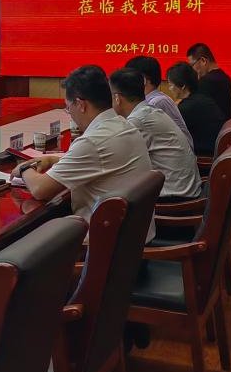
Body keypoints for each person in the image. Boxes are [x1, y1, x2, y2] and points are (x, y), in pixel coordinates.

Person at [11, 65, 155, 241]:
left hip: (104, 247)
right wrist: (53, 160)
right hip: (133, 239)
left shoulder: (93, 141)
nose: (70, 114)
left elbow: (40, 189)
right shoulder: (124, 125)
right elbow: (100, 162)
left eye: (68, 108)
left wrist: (24, 168)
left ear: (80, 104)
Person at [110, 67, 201, 199]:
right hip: (185, 189)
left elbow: (118, 161)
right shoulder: (149, 111)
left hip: (175, 198)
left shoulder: (138, 119)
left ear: (117, 98)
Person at [125, 55, 195, 149]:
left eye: (129, 79)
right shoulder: (155, 99)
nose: (125, 84)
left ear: (143, 80)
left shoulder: (155, 103)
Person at [166, 62, 226, 157]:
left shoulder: (187, 108)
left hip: (204, 155)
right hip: (216, 149)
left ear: (182, 86)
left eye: (170, 85)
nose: (169, 88)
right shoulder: (202, 98)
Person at [186, 43, 231, 119]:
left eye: (192, 65)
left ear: (203, 60)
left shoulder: (207, 81)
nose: (192, 70)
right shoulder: (224, 77)